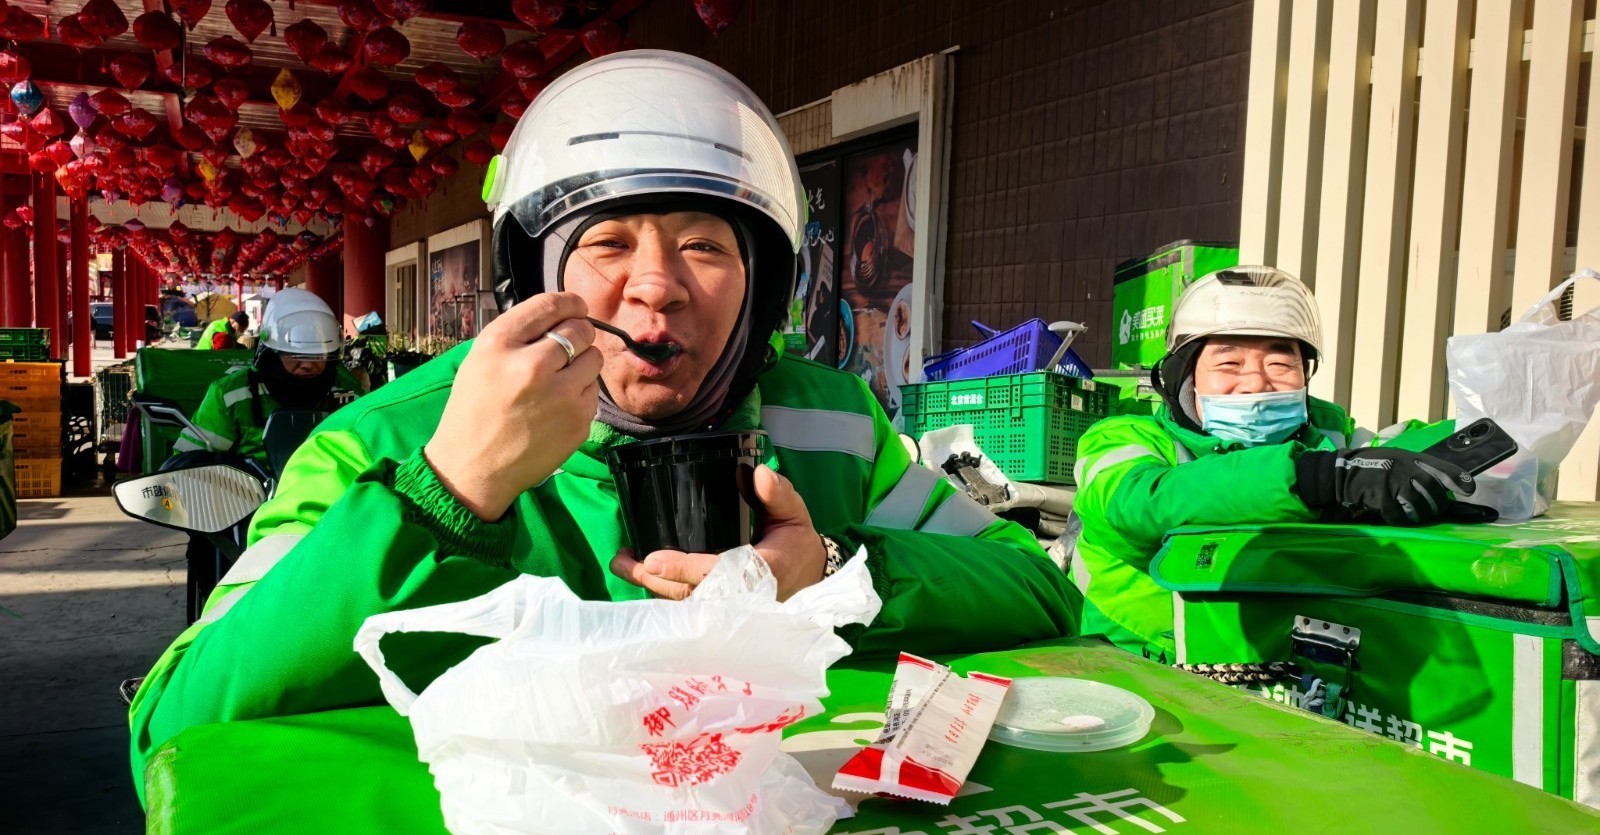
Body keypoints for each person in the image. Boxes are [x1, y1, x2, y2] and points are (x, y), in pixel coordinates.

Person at [127, 51, 1079, 795]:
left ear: (764, 286)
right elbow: (178, 723)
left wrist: (832, 570)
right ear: (536, 280)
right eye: (608, 242)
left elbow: (1039, 591)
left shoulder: (826, 420)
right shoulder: (386, 440)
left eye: (705, 244)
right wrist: (448, 494)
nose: (655, 286)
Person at [1069, 265, 1491, 660]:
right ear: (1186, 376)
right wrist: (1316, 478)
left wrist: (1500, 431)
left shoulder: (1326, 436)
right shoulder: (1122, 439)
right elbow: (1141, 502)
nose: (1255, 382)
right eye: (1229, 363)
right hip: (1136, 663)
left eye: (1279, 362)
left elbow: (1395, 449)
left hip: (1284, 668)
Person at [171, 290, 363, 465]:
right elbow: (188, 463)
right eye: (295, 355)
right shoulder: (231, 395)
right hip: (246, 498)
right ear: (272, 354)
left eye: (318, 356)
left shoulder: (347, 392)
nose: (307, 364)